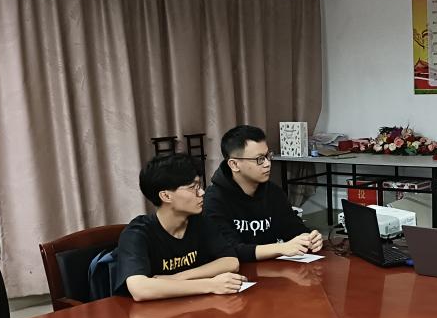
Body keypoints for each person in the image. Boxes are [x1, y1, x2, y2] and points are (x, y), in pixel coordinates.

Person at [115, 153, 244, 301]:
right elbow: (139, 289)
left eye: (199, 186)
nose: (202, 192)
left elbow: (230, 261)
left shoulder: (200, 220)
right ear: (166, 196)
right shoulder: (137, 233)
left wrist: (178, 277)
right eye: (193, 187)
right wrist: (211, 285)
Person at [204, 125, 323, 261]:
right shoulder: (214, 199)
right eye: (259, 159)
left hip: (273, 268)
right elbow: (229, 250)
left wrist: (309, 238)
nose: (267, 164)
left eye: (267, 156)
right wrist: (280, 248)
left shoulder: (273, 192)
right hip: (235, 272)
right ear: (234, 164)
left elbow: (293, 229)